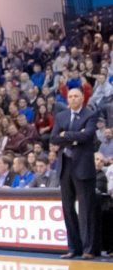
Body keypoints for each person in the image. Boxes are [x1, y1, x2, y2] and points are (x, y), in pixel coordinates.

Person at [50, 87, 99, 259]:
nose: (72, 99)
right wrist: (75, 136)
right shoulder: (61, 116)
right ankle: (73, 248)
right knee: (68, 208)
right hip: (65, 166)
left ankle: (88, 249)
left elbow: (88, 136)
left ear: (83, 98)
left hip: (83, 167)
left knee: (86, 209)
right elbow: (54, 138)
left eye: (76, 96)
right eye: (70, 96)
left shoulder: (90, 114)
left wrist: (66, 135)